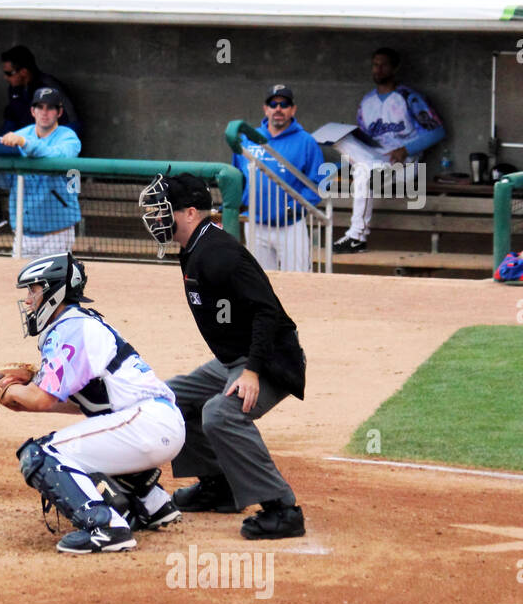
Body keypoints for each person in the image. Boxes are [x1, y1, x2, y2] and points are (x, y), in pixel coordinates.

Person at [139, 173, 308, 541]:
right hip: (235, 360)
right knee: (171, 397)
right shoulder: (195, 247)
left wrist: (252, 371)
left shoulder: (219, 253)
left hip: (271, 360)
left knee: (221, 413)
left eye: (162, 210)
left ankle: (282, 508)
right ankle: (220, 486)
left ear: (190, 213)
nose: (155, 217)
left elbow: (267, 312)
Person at [0, 252, 185, 554]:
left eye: (34, 290)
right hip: (152, 424)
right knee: (89, 436)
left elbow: (41, 400)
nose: (28, 300)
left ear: (54, 291)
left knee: (41, 455)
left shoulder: (71, 329)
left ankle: (105, 527)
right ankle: (149, 502)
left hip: (145, 424)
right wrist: (17, 395)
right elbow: (73, 401)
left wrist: (7, 391)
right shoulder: (80, 323)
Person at [332, 47, 444, 253]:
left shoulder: (408, 98)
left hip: (405, 164)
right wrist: (341, 164)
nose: (378, 69)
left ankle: (357, 236)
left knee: (364, 172)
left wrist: (406, 149)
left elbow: (437, 132)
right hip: (376, 160)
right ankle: (356, 234)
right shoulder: (367, 102)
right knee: (341, 140)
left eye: (383, 64)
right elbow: (365, 140)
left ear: (395, 67)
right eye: (375, 64)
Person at [232, 84, 328, 273]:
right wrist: (238, 205)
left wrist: (294, 208)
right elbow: (237, 177)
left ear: (293, 109)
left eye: (284, 104)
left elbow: (320, 182)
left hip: (290, 226)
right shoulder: (248, 139)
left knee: (298, 281)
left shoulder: (306, 141)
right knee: (259, 282)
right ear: (265, 108)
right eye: (273, 104)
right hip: (255, 224)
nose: (278, 109)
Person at [0, 87, 82, 257]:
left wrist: (26, 144)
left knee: (55, 284)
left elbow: (57, 157)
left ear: (59, 112)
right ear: (33, 111)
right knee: (21, 282)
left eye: (50, 108)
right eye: (40, 107)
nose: (44, 112)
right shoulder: (19, 135)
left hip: (57, 234)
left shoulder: (68, 137)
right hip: (23, 232)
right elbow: (2, 183)